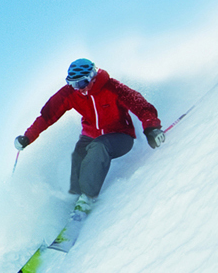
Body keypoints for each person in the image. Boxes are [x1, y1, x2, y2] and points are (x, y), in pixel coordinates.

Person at [14, 58, 165, 212]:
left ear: (92, 77)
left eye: (81, 83)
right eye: (73, 84)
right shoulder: (71, 94)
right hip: (90, 136)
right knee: (79, 158)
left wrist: (151, 128)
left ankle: (87, 198)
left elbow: (141, 105)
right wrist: (27, 137)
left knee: (99, 147)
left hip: (120, 136)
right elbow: (47, 116)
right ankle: (73, 205)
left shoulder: (112, 88)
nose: (78, 89)